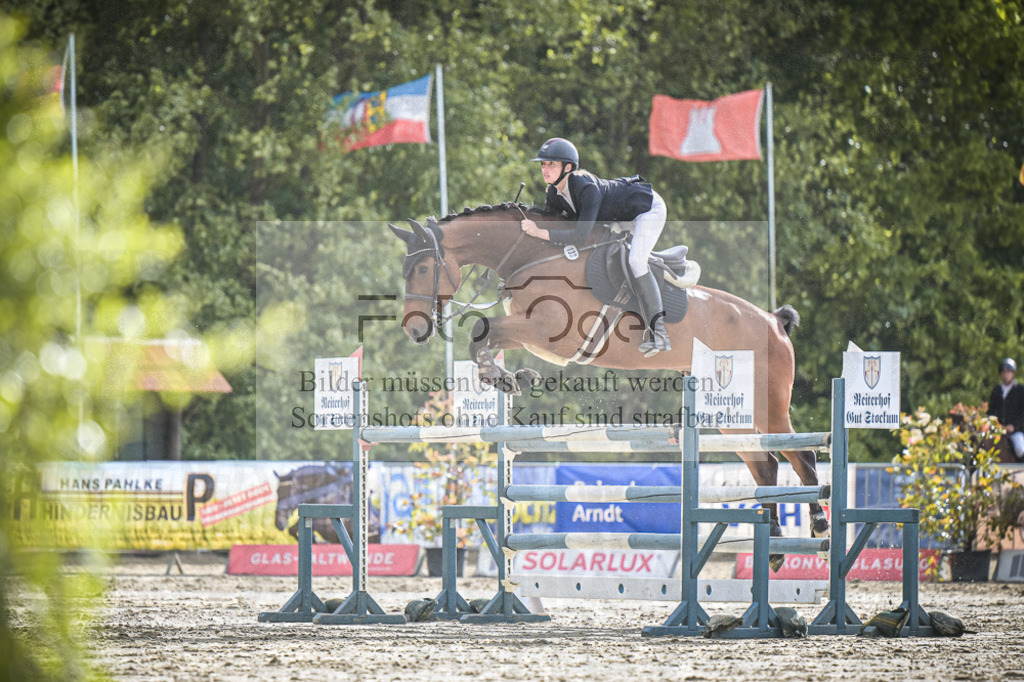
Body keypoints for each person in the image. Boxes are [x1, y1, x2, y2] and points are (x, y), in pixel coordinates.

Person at [519, 137, 670, 356]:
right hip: (621, 217)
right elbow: (553, 223)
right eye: (543, 164)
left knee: (636, 261)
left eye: (551, 164)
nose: (545, 168)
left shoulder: (585, 187)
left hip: (646, 209)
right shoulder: (553, 192)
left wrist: (539, 232)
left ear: (567, 167)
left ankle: (660, 333)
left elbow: (580, 236)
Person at [987, 357, 1024, 460]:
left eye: (1009, 372)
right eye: (1004, 372)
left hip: (1015, 431)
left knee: (1020, 449)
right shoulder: (996, 390)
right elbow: (991, 411)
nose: (1006, 374)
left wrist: (1014, 426)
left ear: (1013, 373)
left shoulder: (1020, 390)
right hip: (998, 430)